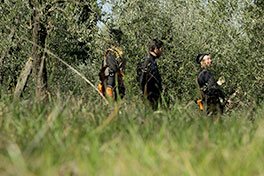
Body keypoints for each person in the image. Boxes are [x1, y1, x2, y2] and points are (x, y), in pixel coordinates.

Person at [98, 28, 125, 100]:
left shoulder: (116, 52)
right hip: (110, 82)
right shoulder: (110, 53)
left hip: (115, 82)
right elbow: (113, 68)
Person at [139, 39, 164, 110]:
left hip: (154, 97)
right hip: (150, 98)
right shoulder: (148, 62)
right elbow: (143, 80)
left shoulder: (152, 61)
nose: (162, 52)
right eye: (161, 49)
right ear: (156, 49)